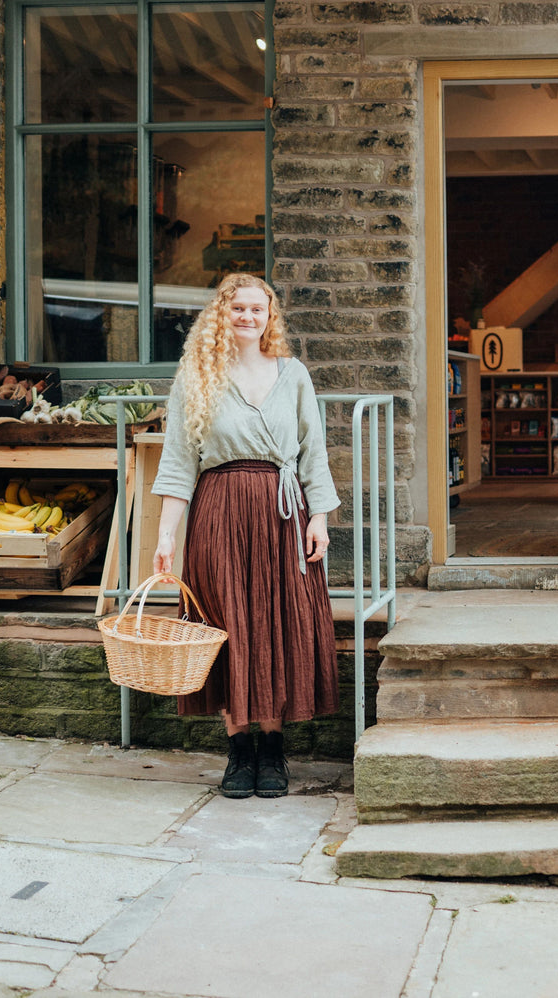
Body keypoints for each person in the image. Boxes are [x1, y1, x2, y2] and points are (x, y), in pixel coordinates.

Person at [151, 274, 339, 799]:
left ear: (270, 316)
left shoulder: (293, 374)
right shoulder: (197, 375)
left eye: (258, 309)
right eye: (238, 309)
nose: (248, 318)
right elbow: (179, 461)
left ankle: (274, 748)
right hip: (219, 512)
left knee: (277, 621)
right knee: (226, 620)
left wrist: (318, 517)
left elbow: (313, 451)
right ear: (221, 314)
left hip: (283, 513)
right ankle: (238, 750)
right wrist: (167, 535)